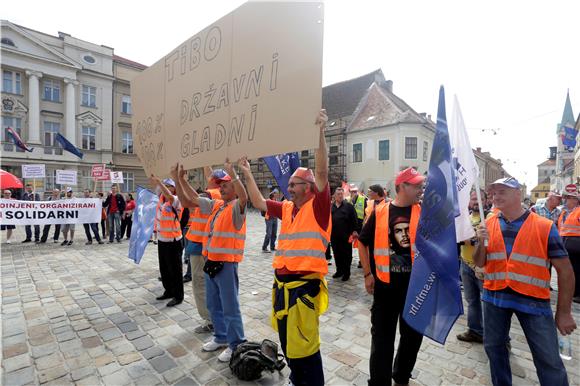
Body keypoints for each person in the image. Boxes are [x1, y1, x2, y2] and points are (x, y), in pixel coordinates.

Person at [240, 110, 330, 386]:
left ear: (309, 186)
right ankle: (296, 379)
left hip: (303, 289)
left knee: (306, 347)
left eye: (294, 184)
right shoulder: (288, 207)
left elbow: (323, 170)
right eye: (289, 184)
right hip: (281, 287)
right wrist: (245, 173)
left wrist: (320, 132)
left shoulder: (320, 206)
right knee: (287, 342)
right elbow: (259, 203)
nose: (288, 188)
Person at [473, 177, 576, 386]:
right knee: (494, 350)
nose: (496, 196)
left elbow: (565, 272)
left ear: (518, 193)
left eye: (502, 191)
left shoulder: (544, 226)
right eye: (494, 192)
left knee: (548, 360)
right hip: (495, 297)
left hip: (533, 301)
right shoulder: (488, 223)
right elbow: (479, 262)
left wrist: (564, 312)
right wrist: (480, 242)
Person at [172, 160, 248, 363]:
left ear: (234, 188)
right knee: (213, 303)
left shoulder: (236, 208)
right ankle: (221, 336)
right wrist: (179, 179)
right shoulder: (217, 205)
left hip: (227, 264)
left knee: (230, 307)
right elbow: (192, 200)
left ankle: (236, 344)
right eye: (220, 185)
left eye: (226, 185)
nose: (221, 188)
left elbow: (244, 197)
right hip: (211, 262)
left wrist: (235, 173)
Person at [358, 167, 425, 386]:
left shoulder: (424, 212)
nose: (420, 188)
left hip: (415, 290)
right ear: (402, 186)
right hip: (385, 289)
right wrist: (368, 273)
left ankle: (402, 376)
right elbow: (362, 241)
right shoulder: (380, 211)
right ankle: (379, 381)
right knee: (382, 339)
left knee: (413, 337)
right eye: (416, 185)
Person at [179, 168, 221, 334]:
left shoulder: (210, 194)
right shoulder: (218, 194)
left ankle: (210, 320)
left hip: (199, 243)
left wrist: (180, 179)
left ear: (212, 180)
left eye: (210, 176)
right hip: (207, 244)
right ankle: (215, 317)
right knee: (211, 283)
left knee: (200, 283)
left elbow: (190, 199)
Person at [456, 190, 487, 343]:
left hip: (483, 266)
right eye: (473, 198)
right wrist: (469, 238)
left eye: (480, 199)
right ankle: (475, 330)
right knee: (471, 300)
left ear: (486, 201)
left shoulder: (489, 217)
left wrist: (471, 239)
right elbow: (458, 237)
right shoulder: (466, 217)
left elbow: (489, 241)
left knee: (488, 302)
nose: (476, 201)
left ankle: (496, 335)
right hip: (465, 263)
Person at [151, 177, 184, 307]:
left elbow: (169, 196)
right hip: (162, 239)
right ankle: (168, 291)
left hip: (174, 240)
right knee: (164, 268)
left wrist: (159, 183)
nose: (166, 188)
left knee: (175, 270)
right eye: (165, 185)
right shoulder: (161, 200)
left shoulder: (175, 200)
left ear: (173, 188)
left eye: (169, 186)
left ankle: (178, 296)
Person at [557, 184, 580, 303]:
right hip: (566, 245)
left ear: (575, 199)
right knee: (570, 271)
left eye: (567, 198)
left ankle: (578, 293)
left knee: (577, 271)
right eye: (564, 197)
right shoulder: (564, 213)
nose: (564, 200)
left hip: (577, 246)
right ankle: (573, 292)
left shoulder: (578, 211)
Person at [330, 186, 357, 280]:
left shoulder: (349, 206)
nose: (340, 196)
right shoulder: (331, 206)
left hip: (346, 236)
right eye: (338, 194)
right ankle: (339, 271)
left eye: (341, 194)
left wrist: (353, 232)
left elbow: (354, 220)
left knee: (347, 255)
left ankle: (346, 273)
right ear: (334, 195)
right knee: (337, 254)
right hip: (334, 236)